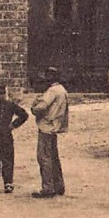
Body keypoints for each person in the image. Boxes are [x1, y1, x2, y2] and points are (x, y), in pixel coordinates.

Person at [30, 66, 69, 198]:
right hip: (55, 127)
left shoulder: (52, 91)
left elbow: (40, 108)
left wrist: (34, 106)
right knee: (54, 158)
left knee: (44, 158)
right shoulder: (62, 90)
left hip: (46, 127)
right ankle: (58, 185)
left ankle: (48, 188)